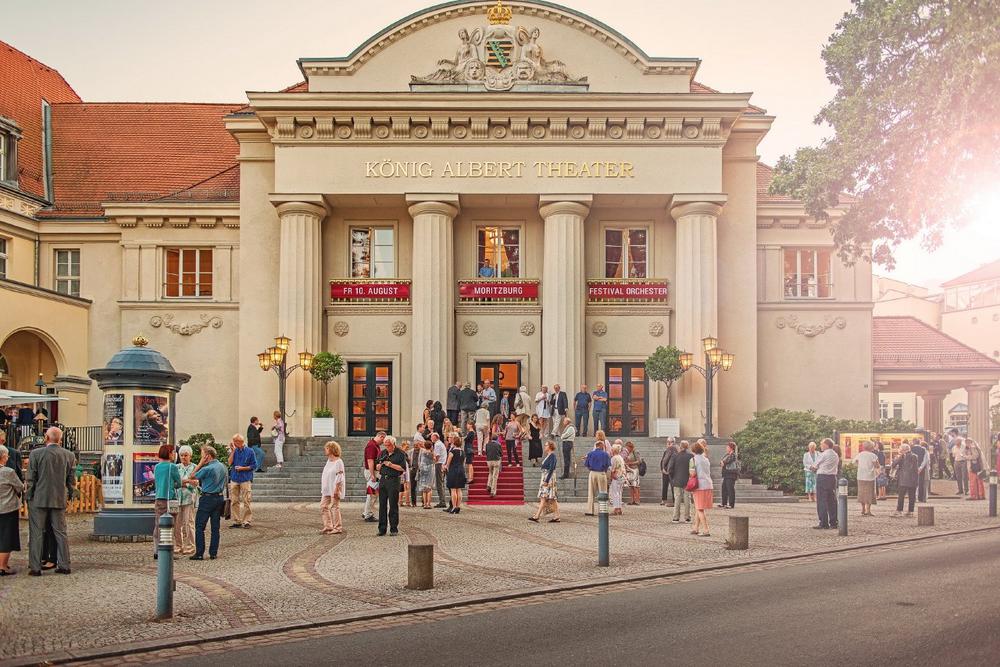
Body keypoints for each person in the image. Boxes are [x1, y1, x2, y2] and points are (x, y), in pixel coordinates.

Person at [26, 426, 74, 575]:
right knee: (61, 532)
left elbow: (31, 478)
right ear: (60, 439)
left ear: (46, 438)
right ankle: (64, 565)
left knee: (36, 533)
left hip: (39, 498)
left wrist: (29, 495)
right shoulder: (69, 455)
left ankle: (35, 567)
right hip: (58, 497)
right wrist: (69, 495)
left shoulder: (36, 454)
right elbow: (71, 480)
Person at [184, 445, 227, 560]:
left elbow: (192, 476)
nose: (201, 457)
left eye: (202, 455)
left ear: (207, 456)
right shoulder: (222, 466)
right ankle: (213, 553)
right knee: (215, 527)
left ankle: (199, 553)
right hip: (219, 498)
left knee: (199, 526)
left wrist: (200, 463)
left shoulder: (207, 469)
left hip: (207, 498)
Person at [152, 444, 181, 560]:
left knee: (158, 524)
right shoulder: (172, 467)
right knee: (170, 525)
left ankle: (156, 550)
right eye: (173, 452)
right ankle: (167, 551)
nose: (174, 454)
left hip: (159, 498)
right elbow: (178, 483)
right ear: (169, 454)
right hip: (170, 499)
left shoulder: (157, 467)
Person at [0, 444, 24, 576]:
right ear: (3, 457)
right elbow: (19, 487)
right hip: (7, 508)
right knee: (6, 537)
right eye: (7, 456)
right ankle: (2, 566)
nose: (8, 457)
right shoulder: (8, 472)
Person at [375, 436, 406, 535]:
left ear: (393, 444)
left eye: (389, 445)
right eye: (385, 445)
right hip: (383, 480)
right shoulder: (383, 453)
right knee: (382, 505)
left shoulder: (400, 453)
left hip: (394, 480)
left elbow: (403, 468)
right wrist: (378, 466)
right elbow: (377, 465)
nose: (387, 447)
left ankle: (393, 528)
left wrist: (390, 465)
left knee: (393, 504)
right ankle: (382, 529)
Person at [810, 438, 840, 529]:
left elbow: (814, 466)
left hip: (822, 477)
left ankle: (823, 523)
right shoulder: (835, 454)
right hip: (832, 478)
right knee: (832, 500)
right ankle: (833, 522)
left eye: (821, 444)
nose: (820, 446)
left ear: (826, 445)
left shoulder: (823, 454)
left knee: (822, 500)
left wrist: (812, 468)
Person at [227, 434, 255, 529]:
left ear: (240, 442)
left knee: (247, 500)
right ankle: (237, 521)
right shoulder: (234, 451)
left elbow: (254, 465)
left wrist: (243, 468)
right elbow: (229, 462)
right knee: (234, 501)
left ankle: (247, 521)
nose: (233, 443)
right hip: (234, 478)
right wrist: (233, 451)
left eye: (235, 442)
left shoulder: (250, 451)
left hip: (245, 479)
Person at [175, 445, 198, 555]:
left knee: (189, 523)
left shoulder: (195, 467)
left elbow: (195, 484)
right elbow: (175, 483)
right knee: (177, 523)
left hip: (189, 498)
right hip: (177, 498)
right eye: (181, 455)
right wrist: (188, 481)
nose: (183, 457)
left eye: (186, 455)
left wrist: (183, 482)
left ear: (190, 456)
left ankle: (190, 546)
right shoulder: (176, 467)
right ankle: (178, 545)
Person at [529, 442, 560, 523]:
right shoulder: (549, 456)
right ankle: (557, 516)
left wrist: (546, 480)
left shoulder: (552, 456)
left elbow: (551, 469)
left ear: (550, 446)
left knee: (543, 497)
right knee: (552, 499)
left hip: (548, 479)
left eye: (546, 445)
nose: (545, 446)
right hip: (546, 478)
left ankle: (537, 516)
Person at [320, 441, 345, 534]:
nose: (325, 450)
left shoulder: (339, 462)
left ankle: (338, 527)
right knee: (323, 506)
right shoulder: (329, 461)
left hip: (334, 488)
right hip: (327, 488)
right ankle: (328, 526)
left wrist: (337, 489)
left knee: (335, 507)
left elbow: (340, 476)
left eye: (326, 448)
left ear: (331, 449)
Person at [689, 441, 714, 537]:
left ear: (693, 450)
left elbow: (692, 473)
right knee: (698, 507)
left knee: (699, 509)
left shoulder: (693, 460)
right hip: (708, 484)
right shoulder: (706, 459)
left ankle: (706, 530)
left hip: (699, 486)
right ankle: (695, 528)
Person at [890, 443, 919, 517]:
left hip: (903, 479)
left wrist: (899, 457)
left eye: (900, 449)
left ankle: (899, 511)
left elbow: (893, 465)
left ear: (903, 450)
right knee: (912, 496)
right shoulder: (915, 456)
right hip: (913, 479)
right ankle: (910, 512)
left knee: (901, 496)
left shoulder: (902, 456)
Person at [583, 440, 611, 516]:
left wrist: (591, 468)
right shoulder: (605, 454)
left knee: (591, 492)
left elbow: (586, 464)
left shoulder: (590, 454)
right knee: (603, 492)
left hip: (592, 473)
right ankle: (603, 510)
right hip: (601, 473)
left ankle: (590, 511)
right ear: (602, 447)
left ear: (596, 446)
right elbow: (608, 465)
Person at [668, 440, 693, 523]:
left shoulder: (675, 456)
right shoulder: (691, 456)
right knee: (687, 499)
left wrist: (673, 479)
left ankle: (676, 517)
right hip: (688, 480)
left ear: (680, 446)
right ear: (687, 447)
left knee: (677, 499)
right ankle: (687, 517)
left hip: (677, 480)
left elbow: (670, 469)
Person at [362, 432, 385, 521]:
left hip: (373, 472)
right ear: (380, 436)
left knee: (373, 494)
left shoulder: (375, 445)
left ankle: (366, 512)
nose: (383, 442)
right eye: (383, 440)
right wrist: (372, 475)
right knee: (372, 494)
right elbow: (370, 461)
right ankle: (368, 514)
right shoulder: (372, 445)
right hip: (372, 472)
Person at [443, 434, 467, 515]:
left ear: (454, 443)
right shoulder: (463, 452)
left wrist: (444, 467)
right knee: (459, 490)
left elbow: (448, 464)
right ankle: (458, 506)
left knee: (453, 489)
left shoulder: (452, 452)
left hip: (453, 470)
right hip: (461, 470)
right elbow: (463, 463)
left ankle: (454, 507)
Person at [855, 441, 880, 517]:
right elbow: (877, 465)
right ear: (871, 447)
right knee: (870, 493)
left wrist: (861, 466)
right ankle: (868, 510)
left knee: (862, 493)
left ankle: (862, 509)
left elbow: (855, 462)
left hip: (860, 476)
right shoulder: (873, 455)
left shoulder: (860, 454)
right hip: (870, 476)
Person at [431, 432, 449, 508]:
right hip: (442, 463)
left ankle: (442, 501)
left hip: (439, 464)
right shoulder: (440, 443)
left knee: (439, 483)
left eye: (432, 437)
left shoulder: (437, 444)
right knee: (441, 483)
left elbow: (437, 456)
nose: (431, 438)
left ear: (436, 437)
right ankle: (442, 500)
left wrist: (433, 461)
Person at [720, 441, 739, 509]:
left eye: (727, 447)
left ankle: (731, 504)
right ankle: (724, 503)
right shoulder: (727, 455)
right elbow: (721, 462)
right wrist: (723, 462)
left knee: (730, 489)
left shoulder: (733, 455)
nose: (726, 448)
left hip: (731, 474)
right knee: (724, 488)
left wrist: (723, 462)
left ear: (731, 448)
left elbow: (726, 461)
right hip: (726, 474)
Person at [418, 440, 436, 509]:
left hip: (423, 470)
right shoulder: (432, 453)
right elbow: (434, 461)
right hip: (430, 470)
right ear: (431, 446)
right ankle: (428, 504)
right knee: (429, 488)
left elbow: (419, 461)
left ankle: (425, 504)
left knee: (424, 489)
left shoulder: (422, 453)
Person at [608, 443, 626, 515]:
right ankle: (619, 508)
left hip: (616, 476)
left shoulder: (614, 458)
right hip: (621, 476)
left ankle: (616, 509)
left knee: (615, 493)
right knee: (619, 493)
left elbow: (612, 469)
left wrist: (611, 476)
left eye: (612, 449)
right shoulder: (620, 457)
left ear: (614, 450)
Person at [622, 441, 642, 506]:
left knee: (636, 486)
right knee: (631, 486)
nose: (626, 449)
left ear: (630, 447)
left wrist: (630, 463)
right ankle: (632, 500)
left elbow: (639, 461)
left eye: (627, 447)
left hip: (635, 470)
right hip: (629, 470)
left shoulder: (635, 452)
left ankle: (637, 500)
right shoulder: (627, 453)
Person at [659, 438, 677, 506]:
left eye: (671, 442)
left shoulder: (676, 451)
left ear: (674, 443)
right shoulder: (666, 451)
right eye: (668, 442)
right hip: (665, 471)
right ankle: (664, 500)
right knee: (664, 486)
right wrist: (662, 469)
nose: (669, 443)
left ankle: (675, 500)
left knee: (673, 486)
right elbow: (662, 460)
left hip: (672, 471)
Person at [911, 439, 929, 503]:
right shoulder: (924, 450)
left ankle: (914, 498)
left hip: (913, 469)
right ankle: (920, 498)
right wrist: (921, 468)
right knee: (921, 483)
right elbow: (925, 460)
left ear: (914, 442)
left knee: (913, 483)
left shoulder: (911, 449)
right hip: (921, 469)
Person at [398, 440, 412, 507]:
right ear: (403, 445)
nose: (408, 447)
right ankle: (407, 502)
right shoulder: (402, 453)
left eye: (408, 446)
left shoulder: (403, 453)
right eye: (407, 446)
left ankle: (400, 501)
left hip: (404, 471)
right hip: (404, 471)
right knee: (406, 486)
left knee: (402, 488)